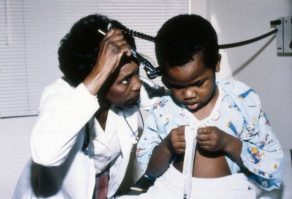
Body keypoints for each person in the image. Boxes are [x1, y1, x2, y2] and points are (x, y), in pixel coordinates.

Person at [119, 14, 284, 199]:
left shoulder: (242, 100)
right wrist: (167, 147)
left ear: (217, 64)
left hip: (228, 191)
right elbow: (150, 172)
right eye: (177, 86)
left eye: (199, 83)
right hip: (170, 189)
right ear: (165, 79)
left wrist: (228, 143)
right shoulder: (163, 108)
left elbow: (272, 164)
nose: (188, 94)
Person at [12, 14, 163, 199]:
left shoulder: (127, 90)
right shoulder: (59, 94)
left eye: (136, 73)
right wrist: (101, 71)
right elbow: (45, 154)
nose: (138, 84)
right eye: (125, 80)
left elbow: (174, 94)